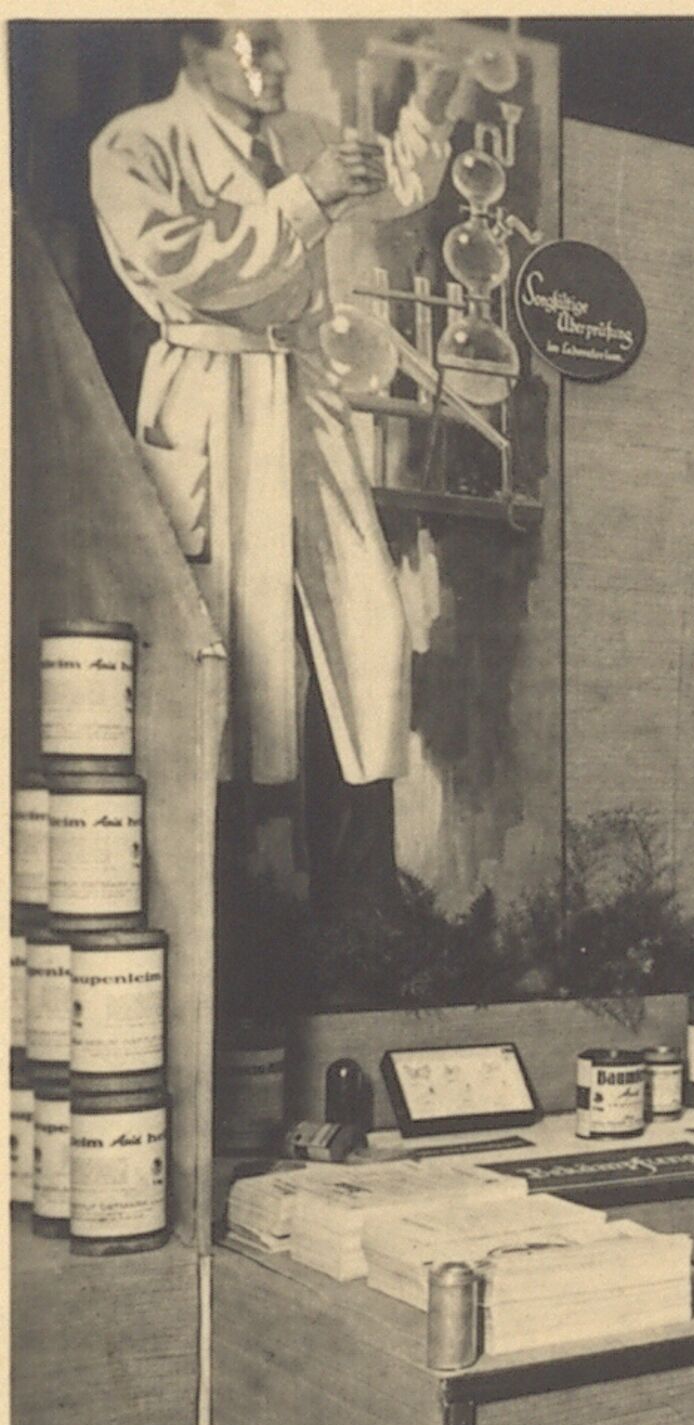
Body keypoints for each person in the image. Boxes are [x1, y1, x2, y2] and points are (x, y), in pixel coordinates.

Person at [89, 20, 473, 913]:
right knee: (227, 649)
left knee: (368, 632)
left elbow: (397, 186)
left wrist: (429, 107)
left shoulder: (300, 135)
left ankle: (359, 908)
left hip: (303, 395)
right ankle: (224, 912)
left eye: (276, 45)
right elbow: (194, 268)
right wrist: (309, 195)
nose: (275, 64)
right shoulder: (136, 145)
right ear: (192, 50)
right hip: (206, 396)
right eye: (252, 44)